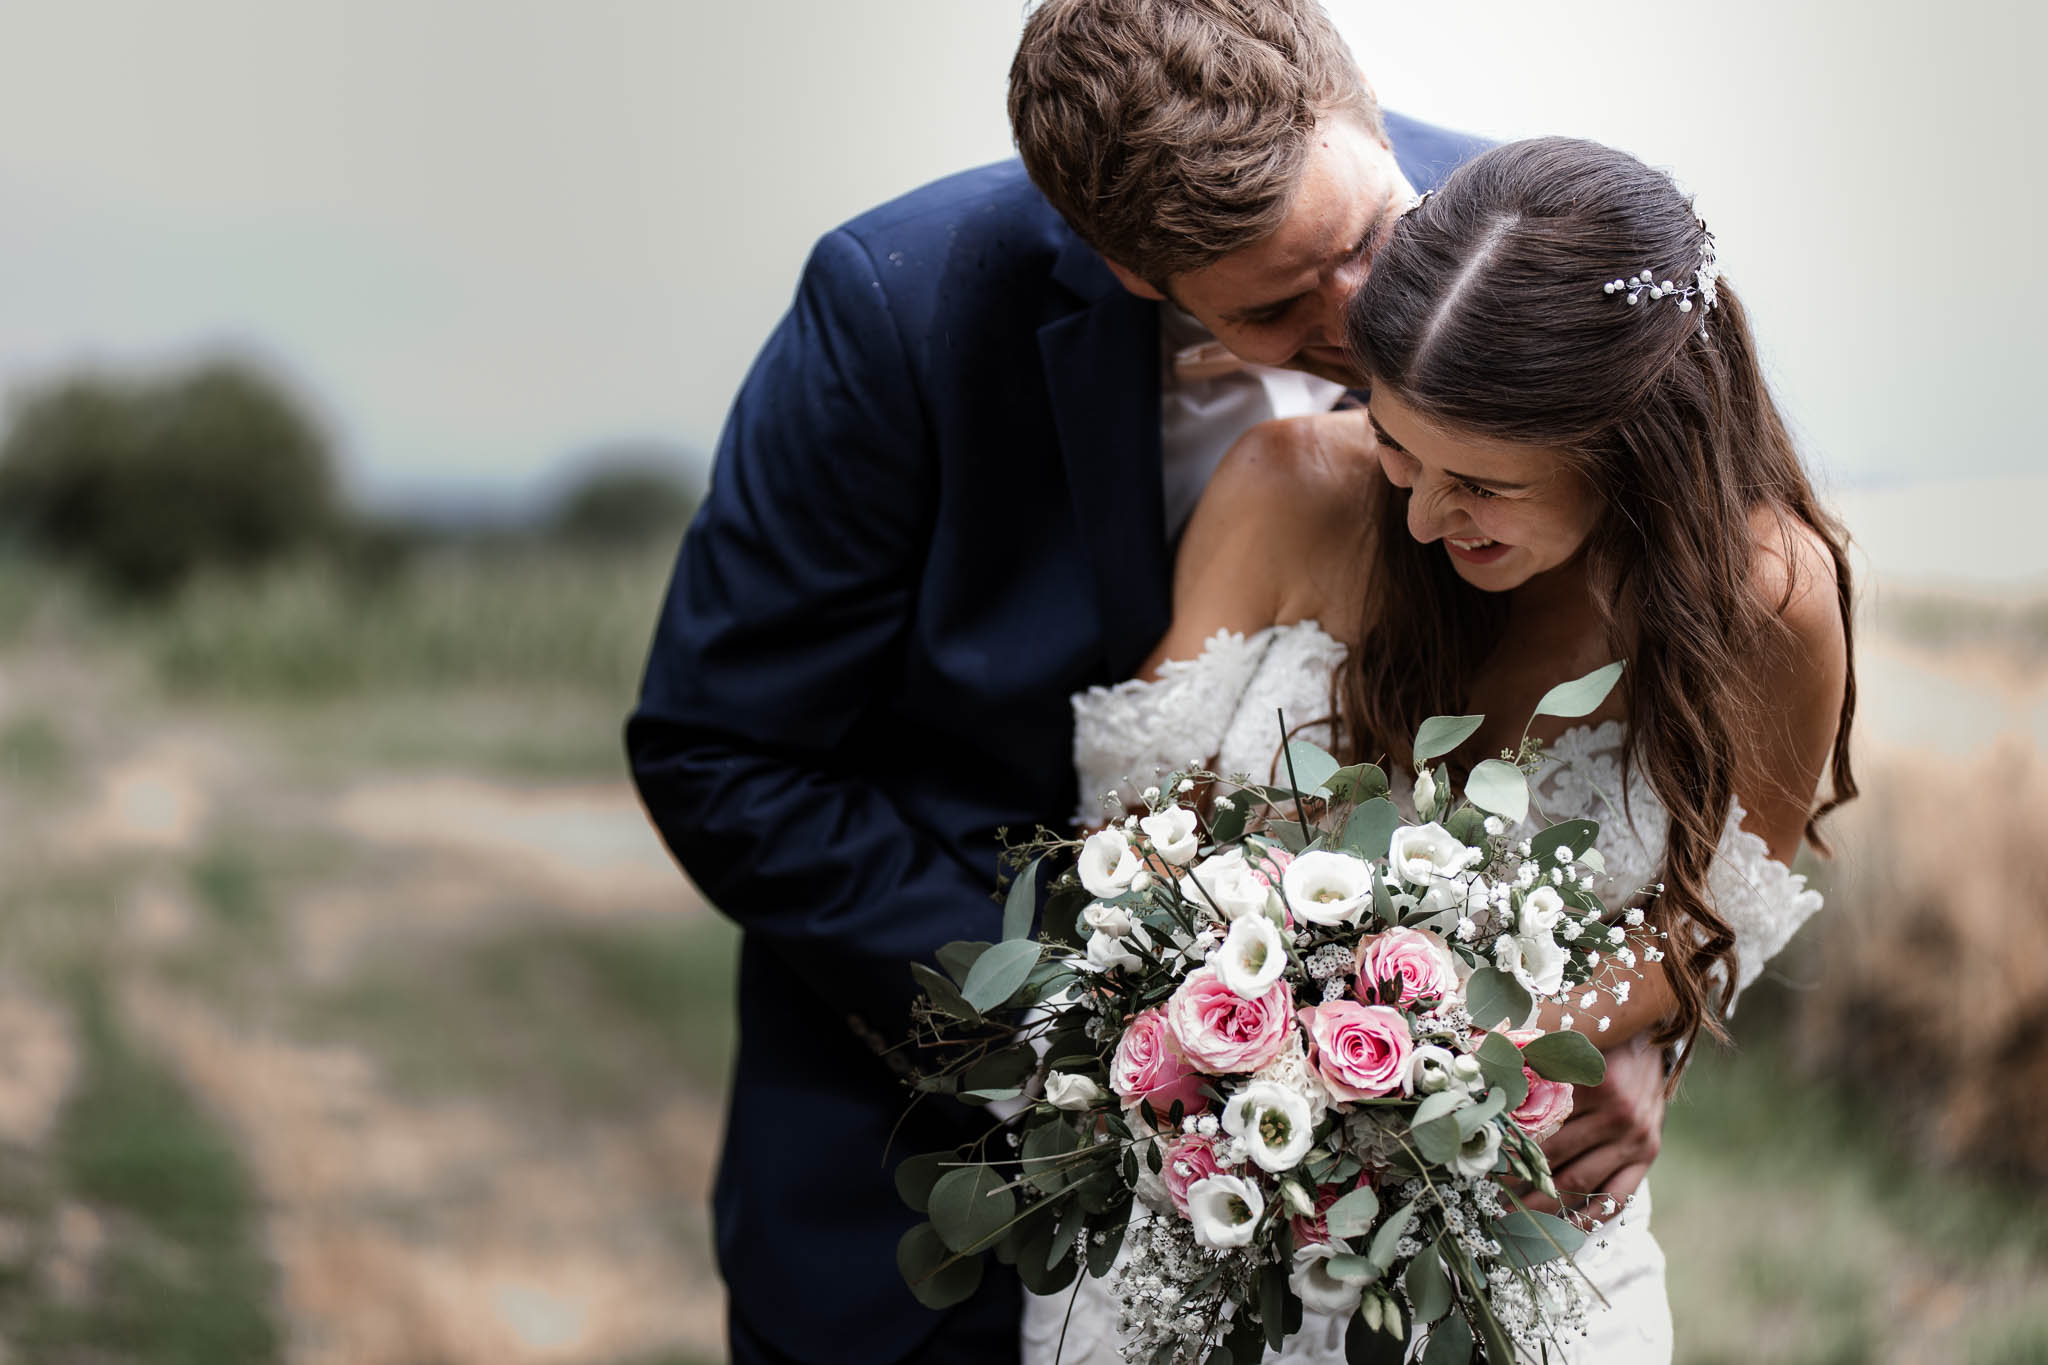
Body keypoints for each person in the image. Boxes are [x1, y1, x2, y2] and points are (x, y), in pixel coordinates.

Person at [628, 1, 1662, 1359]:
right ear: (1129, 268)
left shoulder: (1540, 244)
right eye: (1280, 304)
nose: (1368, 320)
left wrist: (1628, 1025)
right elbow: (722, 755)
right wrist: (1090, 1038)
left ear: (1361, 111)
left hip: (1436, 1232)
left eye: (1370, 238)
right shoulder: (900, 309)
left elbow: (1681, 715)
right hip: (932, 1183)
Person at [1041, 135, 1855, 1362]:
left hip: (1521, 1227)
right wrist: (1278, 1043)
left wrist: (1545, 1047)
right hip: (1204, 1217)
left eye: (1479, 483)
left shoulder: (1767, 600)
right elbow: (1125, 850)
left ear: (1636, 449)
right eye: (1393, 443)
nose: (1420, 516)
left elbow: (1719, 907)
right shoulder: (1283, 490)